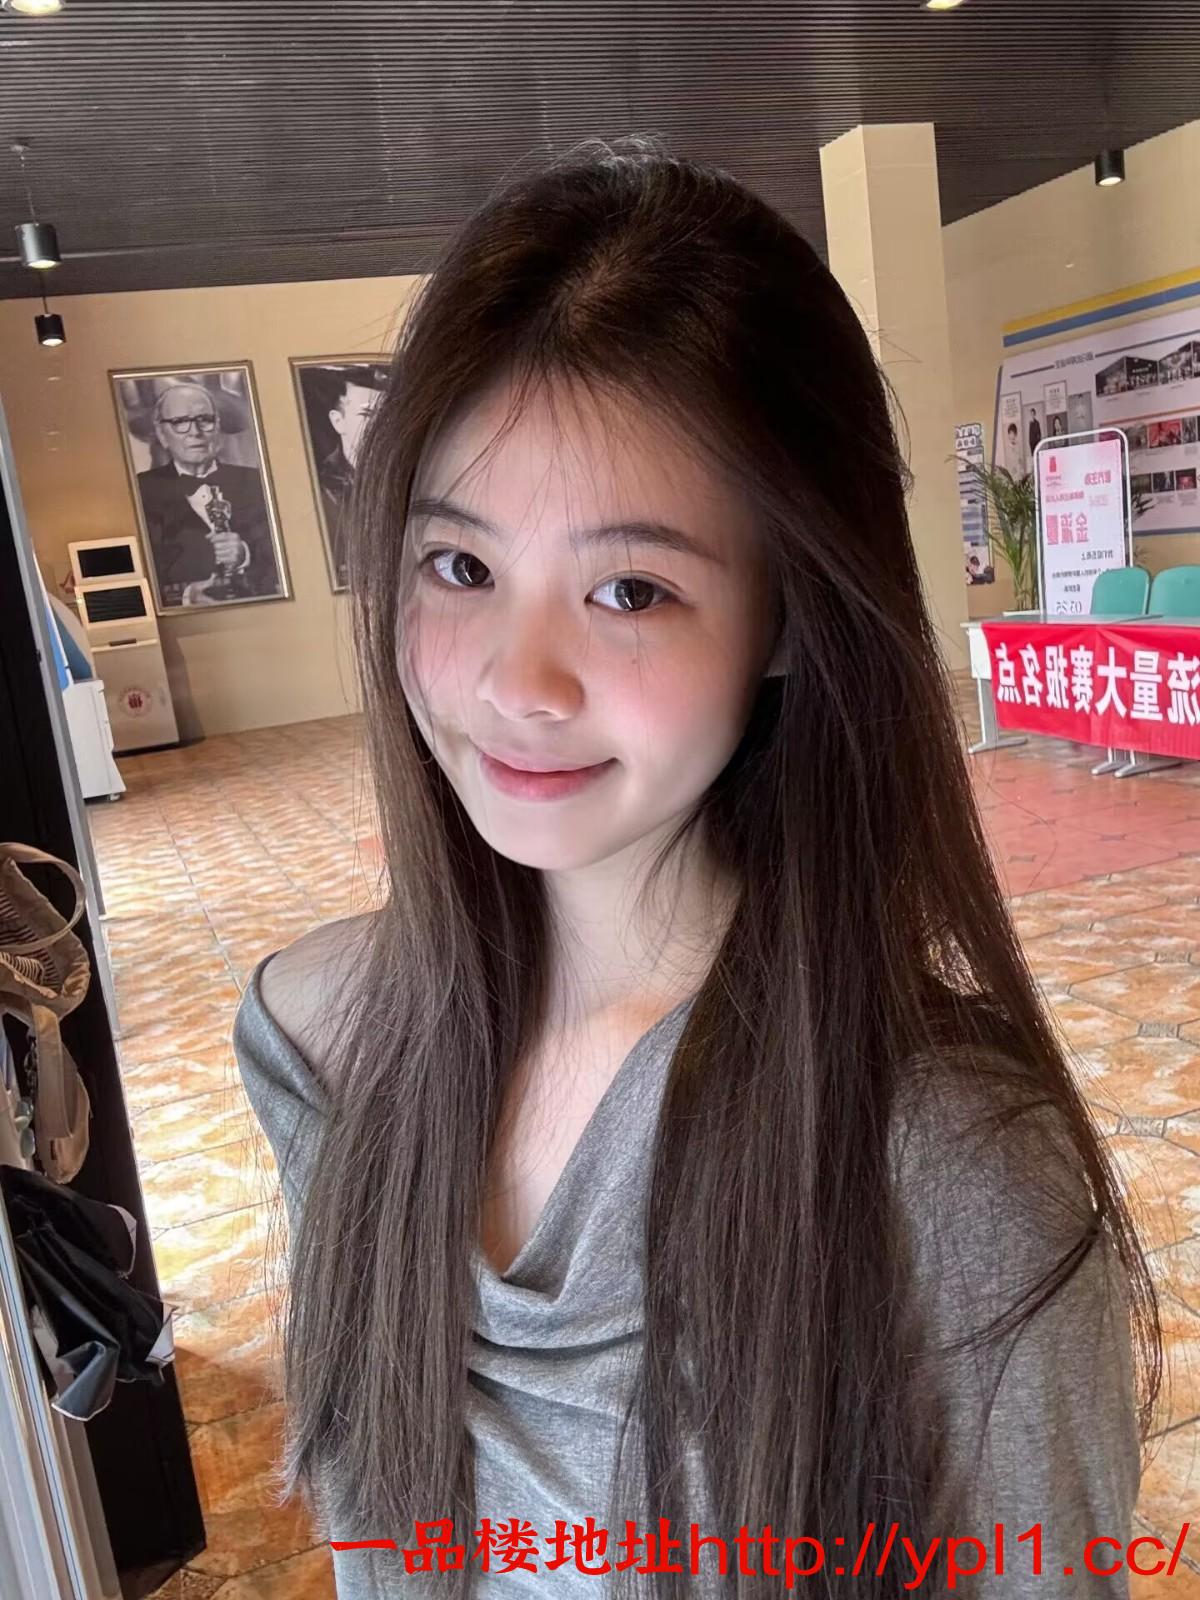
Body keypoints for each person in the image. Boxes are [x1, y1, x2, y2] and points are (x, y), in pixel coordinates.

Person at [234, 137, 1160, 1599]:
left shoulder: (948, 1172)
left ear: (787, 621)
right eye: (461, 566)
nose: (517, 683)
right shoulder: (322, 1042)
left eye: (630, 589)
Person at [134, 381, 276, 606]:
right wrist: (185, 597)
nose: (195, 432)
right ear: (162, 434)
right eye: (180, 422)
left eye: (205, 420)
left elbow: (291, 558)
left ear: (217, 427)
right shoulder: (139, 493)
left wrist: (244, 554)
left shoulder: (258, 482)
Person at [315, 365, 388, 588]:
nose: (379, 427)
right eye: (366, 415)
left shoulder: (412, 480)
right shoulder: (320, 488)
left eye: (385, 416)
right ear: (338, 421)